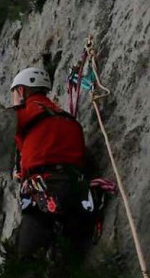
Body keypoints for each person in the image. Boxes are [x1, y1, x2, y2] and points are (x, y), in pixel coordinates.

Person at [9, 67, 95, 260]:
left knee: (23, 261)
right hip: (77, 194)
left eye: (14, 93)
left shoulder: (23, 113)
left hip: (44, 191)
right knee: (70, 261)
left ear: (22, 91)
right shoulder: (70, 122)